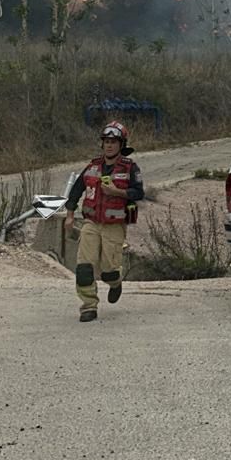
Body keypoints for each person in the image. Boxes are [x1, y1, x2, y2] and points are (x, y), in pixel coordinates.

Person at [64, 121, 144, 323]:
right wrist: (70, 214)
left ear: (121, 144)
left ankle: (115, 282)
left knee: (108, 271)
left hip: (114, 225)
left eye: (113, 142)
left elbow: (138, 192)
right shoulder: (92, 167)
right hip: (91, 223)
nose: (109, 145)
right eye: (106, 141)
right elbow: (76, 190)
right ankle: (88, 306)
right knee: (84, 268)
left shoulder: (130, 167)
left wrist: (117, 192)